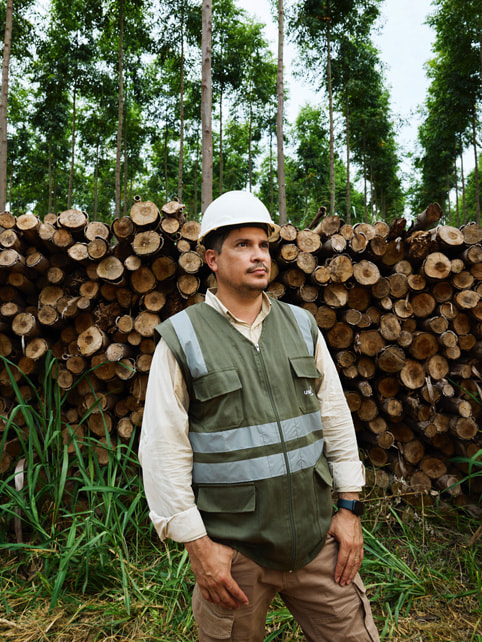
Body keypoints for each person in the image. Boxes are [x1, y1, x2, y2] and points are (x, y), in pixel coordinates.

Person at [139, 190, 379, 642]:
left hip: (316, 542)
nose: (258, 256)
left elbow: (334, 419)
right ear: (212, 259)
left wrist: (349, 509)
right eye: (242, 245)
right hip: (235, 554)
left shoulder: (301, 325)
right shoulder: (183, 338)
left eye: (263, 245)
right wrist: (199, 546)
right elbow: (162, 449)